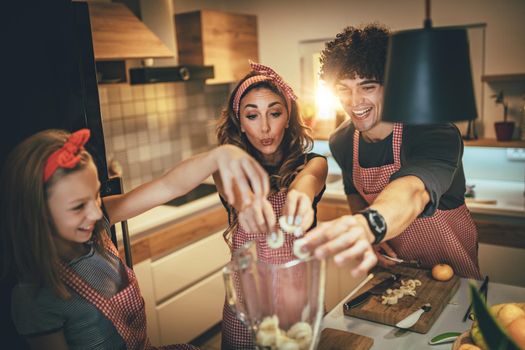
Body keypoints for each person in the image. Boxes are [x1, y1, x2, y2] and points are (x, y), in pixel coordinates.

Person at [0, 128, 271, 350]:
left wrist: (219, 156)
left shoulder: (96, 230)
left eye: (96, 195)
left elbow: (169, 185)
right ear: (35, 213)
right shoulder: (34, 297)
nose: (97, 211)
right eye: (77, 206)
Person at [300, 23, 481, 280]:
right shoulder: (341, 141)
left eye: (368, 86)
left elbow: (413, 191)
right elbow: (355, 194)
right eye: (343, 89)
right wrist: (370, 238)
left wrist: (367, 225)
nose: (354, 101)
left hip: (454, 272)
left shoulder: (434, 131)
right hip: (392, 270)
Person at [214, 61, 328, 349]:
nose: (265, 127)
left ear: (288, 116)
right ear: (240, 121)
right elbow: (239, 194)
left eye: (274, 113)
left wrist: (298, 195)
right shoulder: (226, 170)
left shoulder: (313, 164)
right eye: (252, 116)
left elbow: (308, 180)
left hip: (300, 308)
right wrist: (249, 203)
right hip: (246, 309)